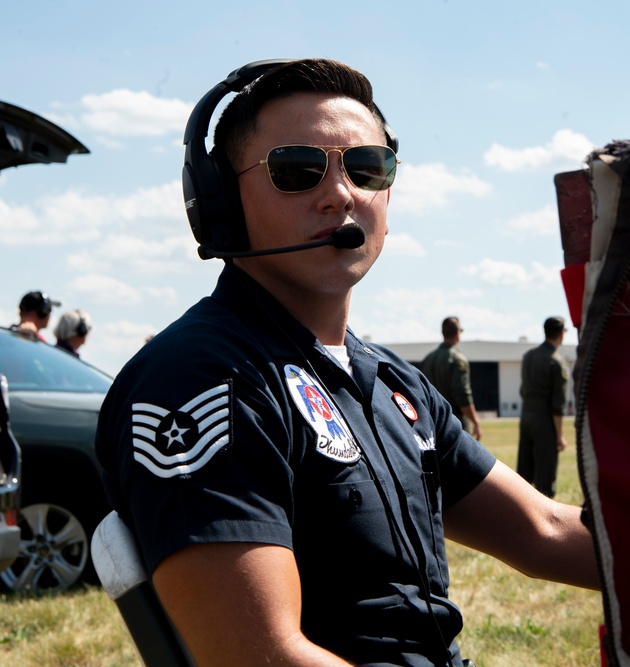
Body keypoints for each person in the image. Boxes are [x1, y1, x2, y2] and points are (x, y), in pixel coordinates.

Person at [96, 58, 597, 667]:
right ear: (222, 199)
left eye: (366, 168)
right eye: (296, 171)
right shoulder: (202, 377)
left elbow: (544, 531)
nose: (339, 194)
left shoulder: (391, 383)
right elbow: (259, 657)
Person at [516, 317, 569, 498]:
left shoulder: (528, 356)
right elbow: (558, 404)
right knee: (544, 477)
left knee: (524, 475)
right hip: (544, 421)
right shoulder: (556, 361)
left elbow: (523, 390)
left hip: (526, 417)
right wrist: (560, 435)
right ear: (562, 334)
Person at [421, 316, 482, 440]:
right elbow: (463, 396)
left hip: (432, 426)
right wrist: (476, 421)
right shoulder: (458, 359)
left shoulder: (428, 359)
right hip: (454, 426)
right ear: (458, 333)